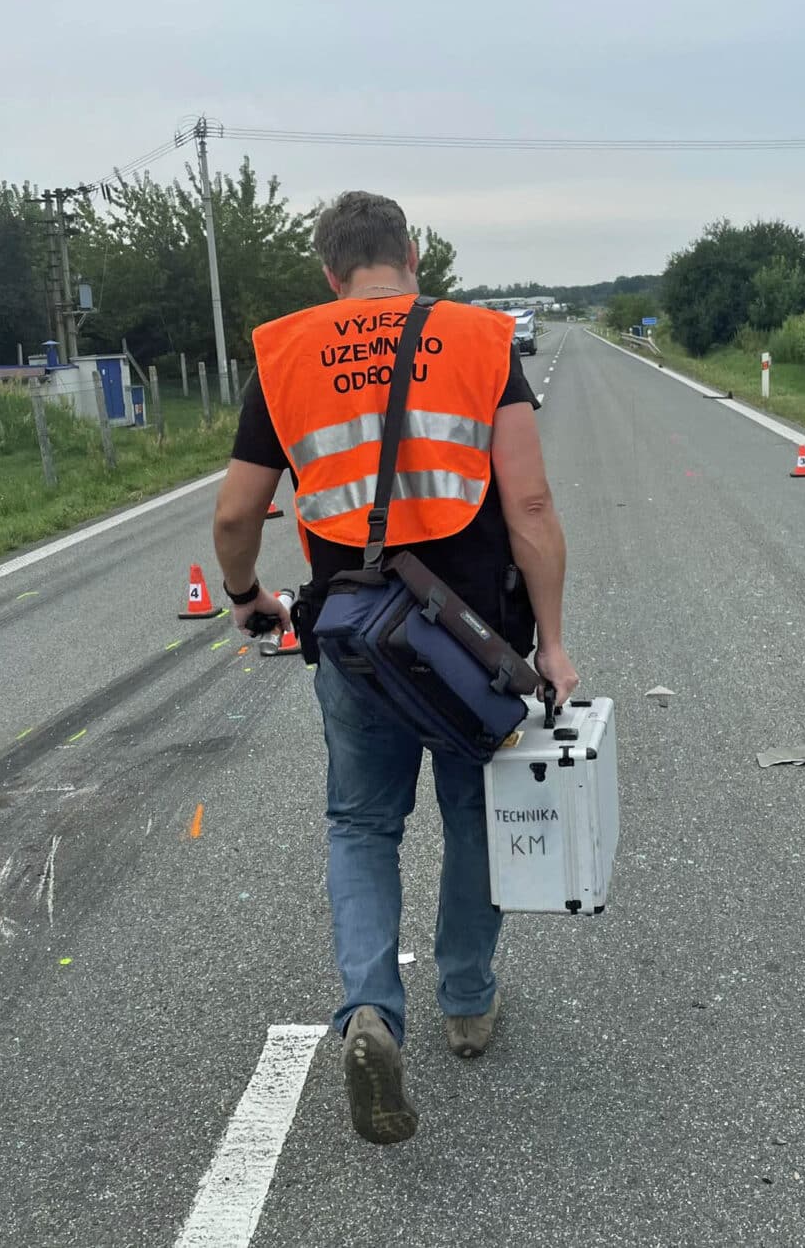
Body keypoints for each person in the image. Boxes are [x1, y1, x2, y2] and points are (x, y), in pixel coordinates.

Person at [212, 191, 578, 1145]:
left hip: (352, 633)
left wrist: (248, 592)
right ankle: (466, 1001)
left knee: (361, 823)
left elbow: (234, 513)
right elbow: (529, 505)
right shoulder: (479, 337)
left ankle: (372, 1008)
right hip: (470, 643)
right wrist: (553, 640)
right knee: (471, 817)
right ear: (412, 255)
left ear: (329, 274)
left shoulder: (287, 350)